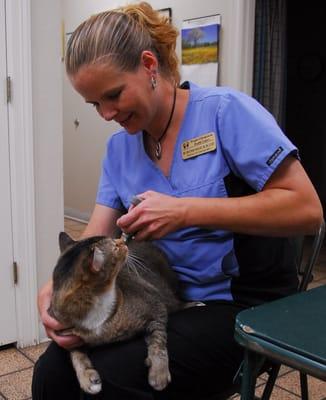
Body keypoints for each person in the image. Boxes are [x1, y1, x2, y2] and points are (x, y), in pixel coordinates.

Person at [32, 2, 323, 399]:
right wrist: (55, 287)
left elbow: (307, 211)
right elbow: (94, 236)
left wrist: (186, 211)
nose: (105, 113)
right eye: (94, 104)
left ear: (149, 65)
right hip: (164, 295)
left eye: (113, 95)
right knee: (51, 373)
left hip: (239, 305)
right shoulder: (120, 149)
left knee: (114, 378)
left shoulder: (226, 113)